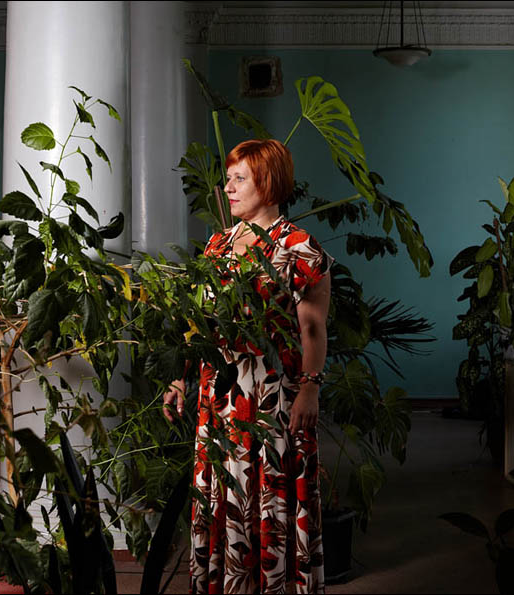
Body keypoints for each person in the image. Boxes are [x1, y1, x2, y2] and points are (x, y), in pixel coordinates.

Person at [163, 139, 333, 594]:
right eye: (229, 178)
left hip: (272, 398)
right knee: (224, 497)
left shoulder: (298, 246)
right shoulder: (217, 244)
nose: (228, 188)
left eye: (240, 179)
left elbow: (313, 328)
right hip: (219, 400)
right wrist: (180, 377)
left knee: (270, 497)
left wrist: (310, 388)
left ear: (269, 183)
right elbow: (197, 322)